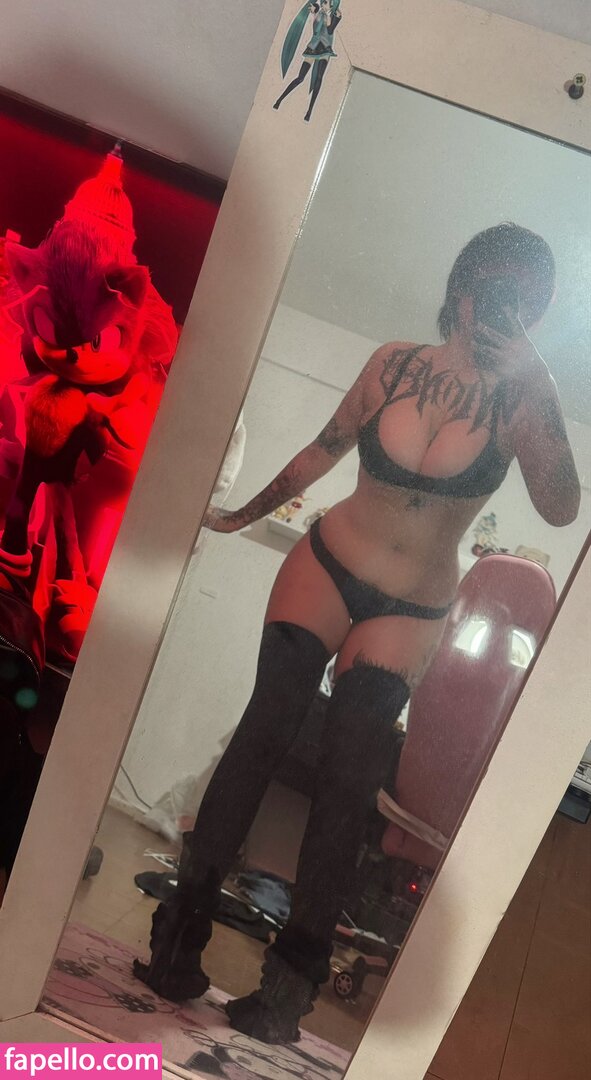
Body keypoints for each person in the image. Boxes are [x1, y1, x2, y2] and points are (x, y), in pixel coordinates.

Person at [135, 223, 580, 1043]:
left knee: (346, 784)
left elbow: (560, 508)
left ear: (538, 311)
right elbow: (323, 451)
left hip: (411, 607)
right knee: (262, 735)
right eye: (493, 286)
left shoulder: (522, 402)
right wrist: (237, 515)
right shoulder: (392, 363)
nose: (501, 306)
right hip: (325, 562)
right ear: (461, 284)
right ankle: (176, 946)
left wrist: (540, 375)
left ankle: (284, 992)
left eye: (524, 298)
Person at [274, 1, 343, 122]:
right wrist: (315, 10)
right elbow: (315, 25)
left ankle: (310, 110)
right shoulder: (319, 13)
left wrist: (329, 13)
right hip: (313, 47)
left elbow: (330, 30)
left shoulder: (334, 14)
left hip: (325, 48)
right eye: (323, 2)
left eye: (326, 2)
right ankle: (280, 99)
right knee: (300, 77)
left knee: (319, 78)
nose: (323, 4)